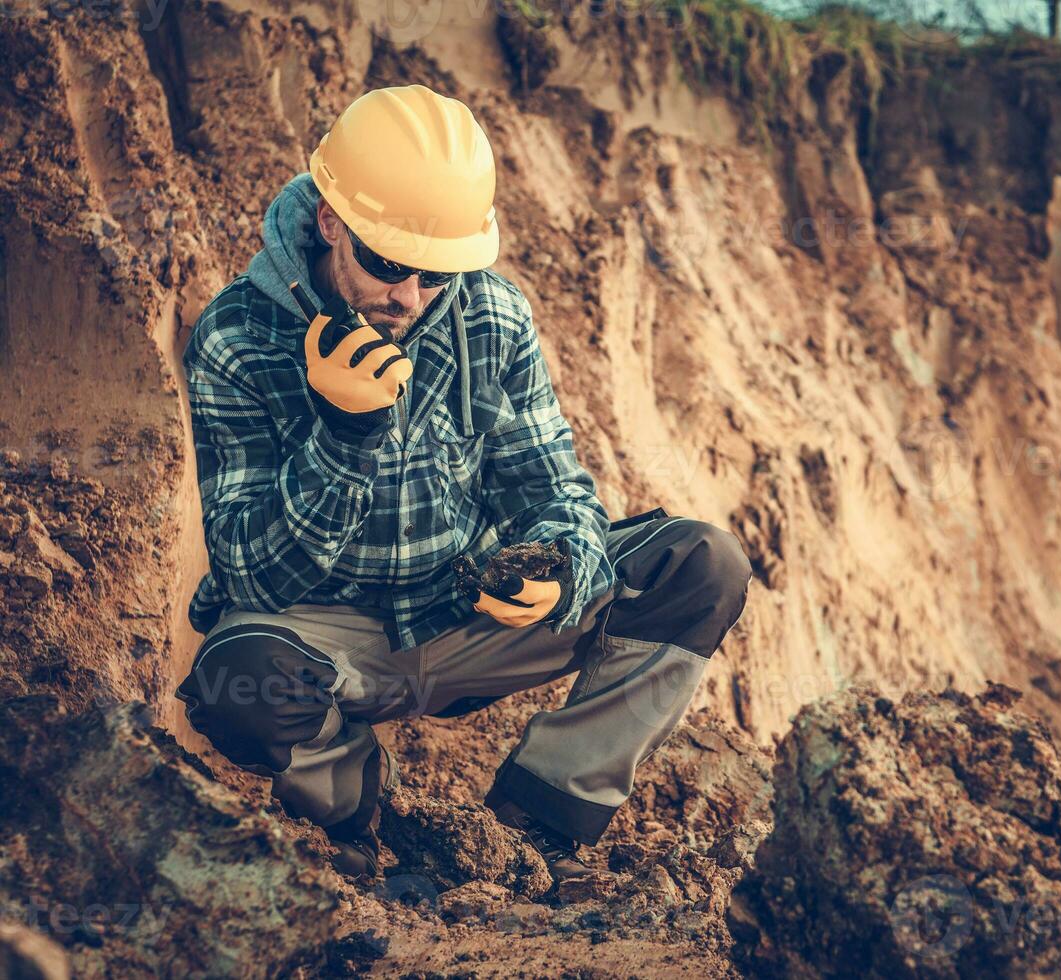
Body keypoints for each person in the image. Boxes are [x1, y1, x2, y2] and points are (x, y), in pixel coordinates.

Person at [174, 84, 753, 882]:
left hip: (462, 613)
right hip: (323, 635)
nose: (409, 298)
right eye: (386, 265)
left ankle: (537, 823)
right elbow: (251, 571)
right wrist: (342, 438)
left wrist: (560, 567)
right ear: (331, 222)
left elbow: (555, 489)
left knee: (701, 566)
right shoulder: (234, 338)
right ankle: (355, 820)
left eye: (436, 273)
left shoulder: (492, 317)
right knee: (238, 684)